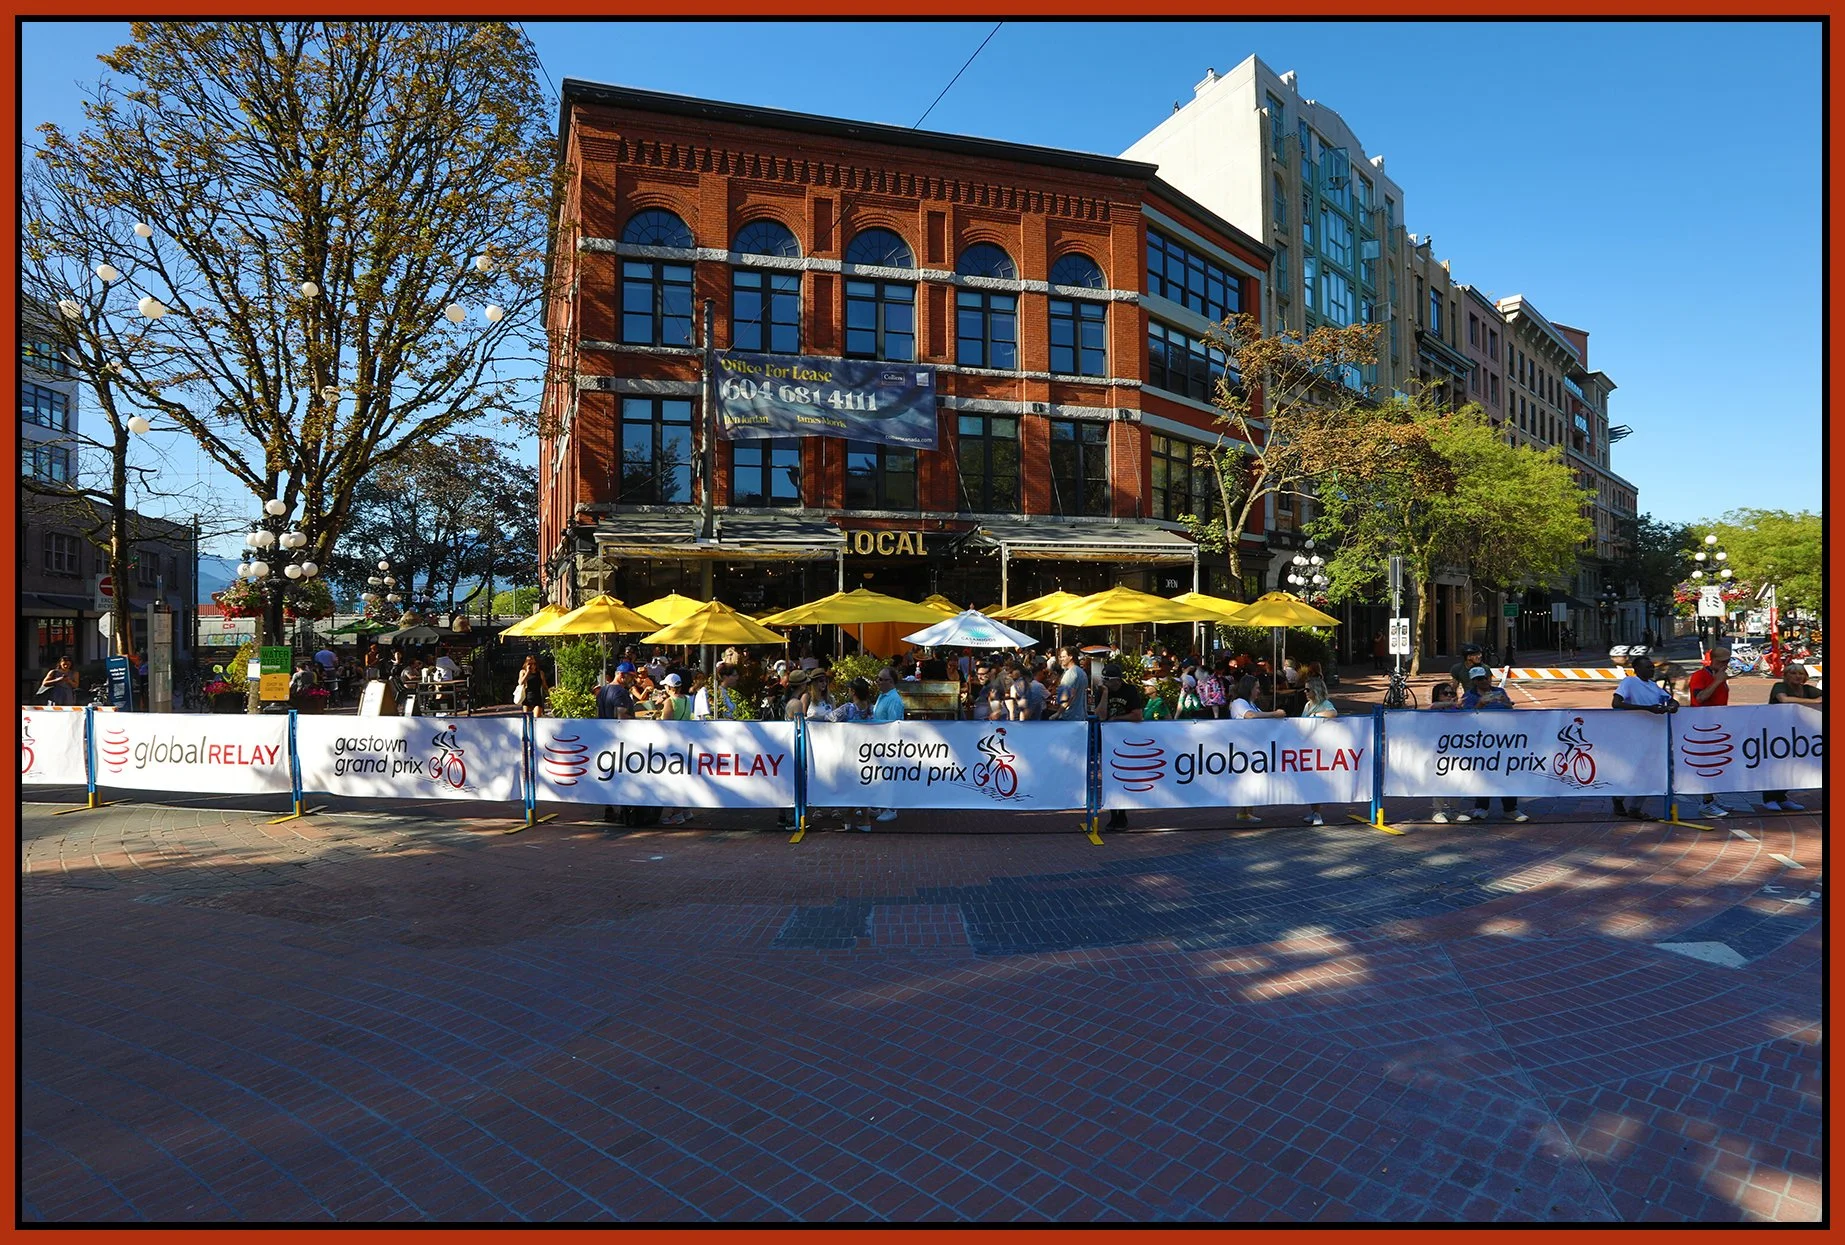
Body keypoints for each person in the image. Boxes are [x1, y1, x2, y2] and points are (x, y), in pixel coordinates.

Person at [1609, 655, 1676, 819]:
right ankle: (1618, 797)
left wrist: (1673, 705)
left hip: (1654, 734)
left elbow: (1670, 699)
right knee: (1633, 770)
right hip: (1634, 734)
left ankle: (1635, 808)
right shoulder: (1629, 682)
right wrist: (1646, 709)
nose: (1651, 669)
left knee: (1649, 771)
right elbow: (1616, 703)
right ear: (1637, 669)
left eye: (1652, 667)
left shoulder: (1653, 686)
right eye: (1648, 667)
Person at [1462, 667, 1528, 823]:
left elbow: (1510, 710)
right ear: (1474, 681)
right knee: (1484, 772)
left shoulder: (1500, 691)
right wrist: (1480, 704)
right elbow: (1466, 717)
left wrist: (1507, 703)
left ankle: (1510, 809)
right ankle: (1482, 807)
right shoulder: (1469, 696)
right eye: (1479, 679)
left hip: (1503, 738)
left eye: (1486, 677)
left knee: (1507, 770)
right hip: (1481, 739)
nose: (1484, 681)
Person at [1760, 663, 1820, 812]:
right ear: (1786, 675)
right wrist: (1814, 701)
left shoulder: (1807, 689)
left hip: (1797, 734)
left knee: (1792, 765)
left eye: (1801, 673)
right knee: (1776, 765)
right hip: (1777, 732)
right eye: (1793, 673)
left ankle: (1782, 797)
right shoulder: (1779, 686)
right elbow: (1784, 700)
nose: (1797, 676)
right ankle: (1769, 798)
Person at [1094, 664, 1145, 831]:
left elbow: (1137, 715)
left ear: (1117, 680)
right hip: (1107, 740)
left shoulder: (1129, 690)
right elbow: (1100, 715)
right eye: (1103, 680)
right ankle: (1113, 814)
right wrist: (1105, 693)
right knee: (1108, 777)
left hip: (1125, 740)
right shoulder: (1102, 691)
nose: (1104, 683)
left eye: (1107, 680)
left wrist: (1116, 719)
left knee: (1122, 776)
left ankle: (1122, 814)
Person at [1685, 646, 1733, 820]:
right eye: (1721, 662)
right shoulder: (1700, 676)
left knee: (1717, 761)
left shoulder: (1719, 675)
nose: (1724, 665)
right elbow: (1700, 698)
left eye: (1727, 662)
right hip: (1703, 725)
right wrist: (1717, 681)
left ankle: (1712, 799)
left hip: (1718, 723)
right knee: (1707, 764)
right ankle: (1706, 802)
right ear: (1712, 660)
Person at [1425, 677, 1471, 825]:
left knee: (1457, 779)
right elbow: (1433, 706)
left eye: (1452, 693)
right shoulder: (1437, 708)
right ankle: (1438, 811)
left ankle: (1455, 810)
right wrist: (1451, 704)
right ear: (1438, 695)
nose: (1450, 696)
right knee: (1440, 779)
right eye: (1446, 693)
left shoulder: (1458, 710)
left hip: (1457, 748)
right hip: (1439, 750)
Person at [864, 668, 906, 825]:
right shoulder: (883, 696)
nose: (878, 682)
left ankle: (890, 809)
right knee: (879, 777)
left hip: (888, 744)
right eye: (878, 678)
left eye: (881, 679)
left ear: (891, 682)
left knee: (888, 777)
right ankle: (878, 806)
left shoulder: (894, 700)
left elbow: (893, 724)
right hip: (878, 742)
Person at [1298, 677, 1338, 827]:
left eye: (1308, 689)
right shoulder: (1308, 705)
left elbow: (1333, 713)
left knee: (1316, 781)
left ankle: (1318, 813)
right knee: (1309, 781)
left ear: (1316, 690)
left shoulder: (1324, 704)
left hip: (1320, 748)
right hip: (1308, 746)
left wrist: (1315, 716)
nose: (1305, 692)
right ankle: (1314, 811)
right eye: (1305, 689)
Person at [1052, 646, 1091, 722]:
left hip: (1070, 717)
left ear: (1070, 657)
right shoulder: (1082, 672)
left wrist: (1058, 713)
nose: (1061, 659)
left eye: (1063, 657)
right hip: (1081, 715)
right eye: (1060, 657)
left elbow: (1068, 697)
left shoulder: (1070, 674)